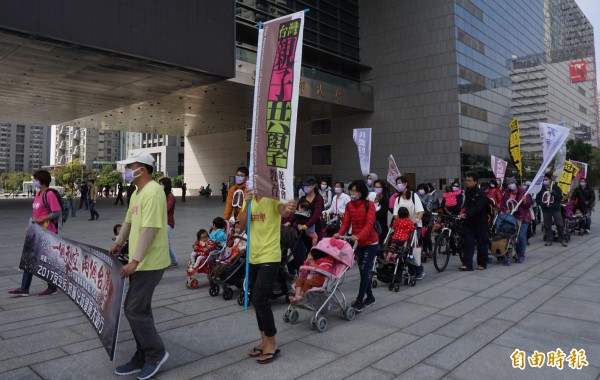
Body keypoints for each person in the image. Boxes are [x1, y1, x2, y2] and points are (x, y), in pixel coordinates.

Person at [110, 152, 170, 379]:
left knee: (133, 309)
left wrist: (135, 261)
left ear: (142, 169)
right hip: (141, 262)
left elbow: (150, 229)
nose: (125, 170)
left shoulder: (154, 192)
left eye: (129, 166)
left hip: (150, 263)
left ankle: (155, 353)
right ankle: (141, 356)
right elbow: (128, 221)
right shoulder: (137, 193)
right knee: (140, 309)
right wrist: (118, 243)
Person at [238, 188, 296, 364]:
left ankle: (271, 342)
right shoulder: (248, 198)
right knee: (256, 300)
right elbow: (242, 225)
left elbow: (283, 210)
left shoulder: (272, 196)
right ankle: (264, 341)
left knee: (260, 298)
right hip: (253, 256)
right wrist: (247, 203)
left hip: (270, 256)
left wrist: (289, 207)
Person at [8, 170, 61, 297]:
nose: (35, 182)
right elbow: (35, 214)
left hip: (47, 232)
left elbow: (57, 212)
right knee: (29, 259)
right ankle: (24, 288)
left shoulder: (49, 194)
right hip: (36, 231)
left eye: (36, 180)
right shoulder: (38, 194)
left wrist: (40, 220)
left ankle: (52, 287)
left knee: (46, 261)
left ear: (42, 181)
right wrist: (29, 226)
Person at [335, 180, 379, 312]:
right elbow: (346, 223)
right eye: (351, 191)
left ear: (362, 192)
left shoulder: (369, 205)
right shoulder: (349, 205)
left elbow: (369, 224)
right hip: (357, 243)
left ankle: (360, 300)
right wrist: (339, 234)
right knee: (362, 271)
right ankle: (370, 297)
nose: (353, 193)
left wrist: (359, 236)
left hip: (370, 242)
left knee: (365, 271)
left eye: (355, 191)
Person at [392, 176, 425, 279]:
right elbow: (395, 214)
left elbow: (420, 211)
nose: (398, 185)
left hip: (415, 227)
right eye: (397, 183)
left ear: (406, 184)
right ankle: (411, 271)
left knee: (411, 249)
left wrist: (417, 220)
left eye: (400, 183)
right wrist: (397, 222)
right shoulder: (397, 199)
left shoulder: (414, 196)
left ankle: (418, 271)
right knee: (405, 249)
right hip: (402, 229)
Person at [459, 173, 489, 271]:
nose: (467, 182)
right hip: (469, 223)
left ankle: (482, 263)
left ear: (475, 182)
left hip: (480, 222)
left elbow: (478, 208)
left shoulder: (481, 194)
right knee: (468, 243)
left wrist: (466, 214)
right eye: (466, 180)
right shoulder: (465, 193)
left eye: (469, 181)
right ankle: (467, 264)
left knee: (482, 243)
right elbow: (463, 205)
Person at [500, 178, 532, 263]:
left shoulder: (523, 193)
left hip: (523, 218)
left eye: (512, 183)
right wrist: (505, 209)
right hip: (511, 218)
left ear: (515, 183)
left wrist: (525, 201)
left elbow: (528, 205)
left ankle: (521, 254)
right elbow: (502, 204)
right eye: (509, 183)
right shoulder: (507, 193)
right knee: (512, 236)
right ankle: (512, 252)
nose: (511, 185)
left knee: (521, 236)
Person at [288, 176, 324, 249]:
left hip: (314, 230)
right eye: (304, 186)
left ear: (314, 185)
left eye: (308, 186)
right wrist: (289, 222)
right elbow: (296, 212)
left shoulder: (319, 198)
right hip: (301, 231)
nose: (305, 187)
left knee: (313, 253)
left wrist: (306, 225)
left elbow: (316, 215)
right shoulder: (302, 198)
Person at [536, 173, 567, 247]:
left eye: (546, 180)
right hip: (546, 210)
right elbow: (538, 200)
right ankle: (549, 239)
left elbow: (560, 198)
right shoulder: (541, 190)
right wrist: (544, 204)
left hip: (556, 209)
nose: (545, 181)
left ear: (550, 180)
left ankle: (562, 239)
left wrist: (553, 192)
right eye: (543, 180)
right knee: (547, 225)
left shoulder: (556, 188)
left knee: (559, 224)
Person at [159, 177, 178, 268]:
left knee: (165, 242)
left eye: (162, 184)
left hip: (168, 222)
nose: (160, 186)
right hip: (163, 222)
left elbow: (166, 209)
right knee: (166, 242)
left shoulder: (170, 196)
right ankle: (173, 260)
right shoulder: (164, 195)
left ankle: (170, 261)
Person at [417, 183, 434, 261]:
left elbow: (427, 208)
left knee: (427, 236)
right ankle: (423, 252)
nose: (420, 190)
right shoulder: (417, 197)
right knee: (420, 237)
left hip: (428, 220)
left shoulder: (430, 197)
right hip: (420, 219)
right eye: (419, 189)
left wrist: (420, 206)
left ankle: (428, 250)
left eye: (422, 188)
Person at [373, 179, 389, 245]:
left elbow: (381, 214)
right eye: (375, 187)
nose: (377, 188)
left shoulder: (385, 199)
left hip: (381, 226)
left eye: (379, 187)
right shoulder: (373, 197)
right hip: (373, 226)